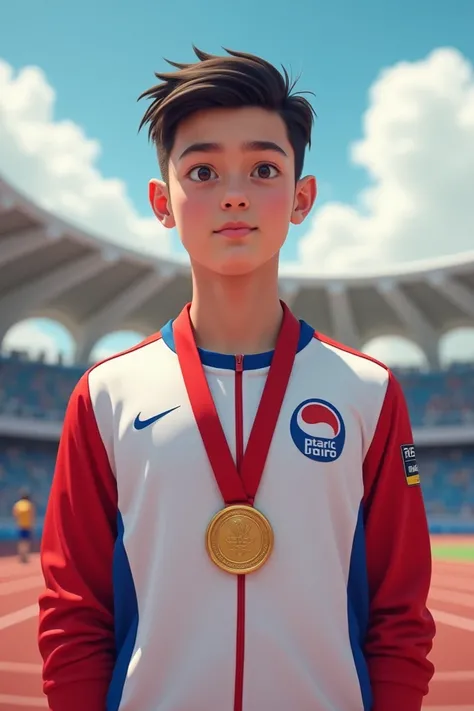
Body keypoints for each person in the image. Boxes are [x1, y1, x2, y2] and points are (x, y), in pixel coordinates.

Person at [38, 47, 436, 711]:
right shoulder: (106, 396)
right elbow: (74, 611)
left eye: (262, 168)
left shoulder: (369, 391)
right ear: (162, 202)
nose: (233, 192)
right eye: (202, 170)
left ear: (302, 197)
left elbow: (400, 610)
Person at [12, 487, 35, 563]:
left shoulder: (17, 505)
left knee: (21, 541)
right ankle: (25, 556)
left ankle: (21, 555)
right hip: (27, 525)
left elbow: (15, 515)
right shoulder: (29, 505)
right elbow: (32, 516)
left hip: (20, 525)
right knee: (26, 542)